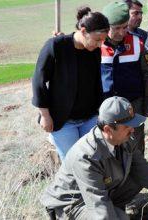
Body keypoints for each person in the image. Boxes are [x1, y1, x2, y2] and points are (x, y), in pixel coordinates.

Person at [41, 96, 148, 219]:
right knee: (120, 218)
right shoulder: (86, 156)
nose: (132, 130)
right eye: (127, 127)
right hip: (72, 205)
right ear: (108, 129)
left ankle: (116, 211)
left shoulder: (125, 139)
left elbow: (142, 169)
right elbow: (98, 205)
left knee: (138, 178)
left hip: (98, 194)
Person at [32, 7, 109, 161]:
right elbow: (38, 81)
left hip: (90, 118)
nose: (101, 44)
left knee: (93, 160)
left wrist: (101, 111)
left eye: (103, 40)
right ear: (83, 30)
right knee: (73, 163)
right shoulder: (56, 46)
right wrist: (45, 115)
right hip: (63, 121)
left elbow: (96, 83)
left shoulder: (93, 50)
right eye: (97, 39)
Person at [100, 1, 148, 155]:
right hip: (105, 107)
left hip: (134, 105)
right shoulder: (97, 44)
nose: (121, 32)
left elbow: (147, 73)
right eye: (116, 28)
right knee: (108, 147)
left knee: (135, 146)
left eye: (124, 27)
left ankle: (137, 177)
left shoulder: (137, 42)